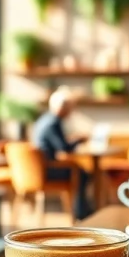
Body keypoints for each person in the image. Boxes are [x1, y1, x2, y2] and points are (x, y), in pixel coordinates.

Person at [32, 88, 93, 219]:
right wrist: (78, 140)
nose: (71, 111)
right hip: (48, 170)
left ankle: (82, 209)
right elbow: (64, 148)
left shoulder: (44, 119)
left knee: (80, 171)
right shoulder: (53, 122)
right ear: (63, 107)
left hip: (38, 169)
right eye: (70, 107)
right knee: (82, 173)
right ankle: (82, 212)